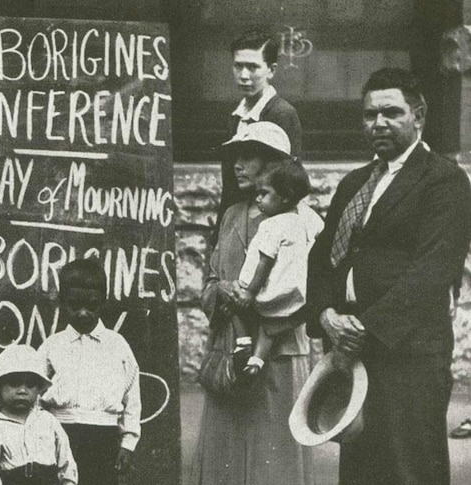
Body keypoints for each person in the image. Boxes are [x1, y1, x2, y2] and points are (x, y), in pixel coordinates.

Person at [306, 67, 471, 484]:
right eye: (369, 114)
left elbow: (432, 271)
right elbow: (322, 258)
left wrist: (363, 327)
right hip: (353, 353)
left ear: (418, 115)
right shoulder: (354, 183)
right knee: (361, 471)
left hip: (409, 356)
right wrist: (326, 314)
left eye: (391, 112)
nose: (378, 123)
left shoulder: (444, 180)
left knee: (409, 469)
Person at [192, 121, 318, 485]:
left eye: (249, 157)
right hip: (230, 352)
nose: (238, 165)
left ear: (276, 165)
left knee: (274, 458)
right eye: (235, 157)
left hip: (278, 352)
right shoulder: (231, 216)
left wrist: (265, 305)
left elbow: (311, 289)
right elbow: (209, 284)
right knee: (225, 460)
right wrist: (224, 292)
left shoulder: (305, 222)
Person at [37, 258, 140, 485]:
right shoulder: (53, 345)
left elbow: (132, 398)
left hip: (104, 440)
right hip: (59, 435)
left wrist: (128, 443)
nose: (83, 313)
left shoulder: (117, 345)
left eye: (91, 305)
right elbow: (34, 393)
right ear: (62, 302)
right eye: (74, 305)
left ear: (102, 301)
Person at [229, 158, 322, 376]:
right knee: (270, 326)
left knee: (234, 302)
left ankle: (243, 342)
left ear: (285, 197)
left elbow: (265, 260)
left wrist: (250, 291)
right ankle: (257, 361)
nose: (258, 198)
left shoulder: (272, 224)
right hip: (294, 289)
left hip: (269, 286)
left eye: (264, 193)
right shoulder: (304, 221)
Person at [216, 29, 303, 241]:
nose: (244, 75)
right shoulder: (236, 117)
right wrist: (218, 238)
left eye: (253, 67)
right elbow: (229, 189)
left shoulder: (282, 114)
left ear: (271, 70)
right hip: (236, 227)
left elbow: (287, 187)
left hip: (267, 232)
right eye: (238, 66)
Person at [0, 344, 78, 485]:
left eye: (30, 384)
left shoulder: (48, 421)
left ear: (39, 389)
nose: (22, 390)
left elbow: (66, 462)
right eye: (14, 383)